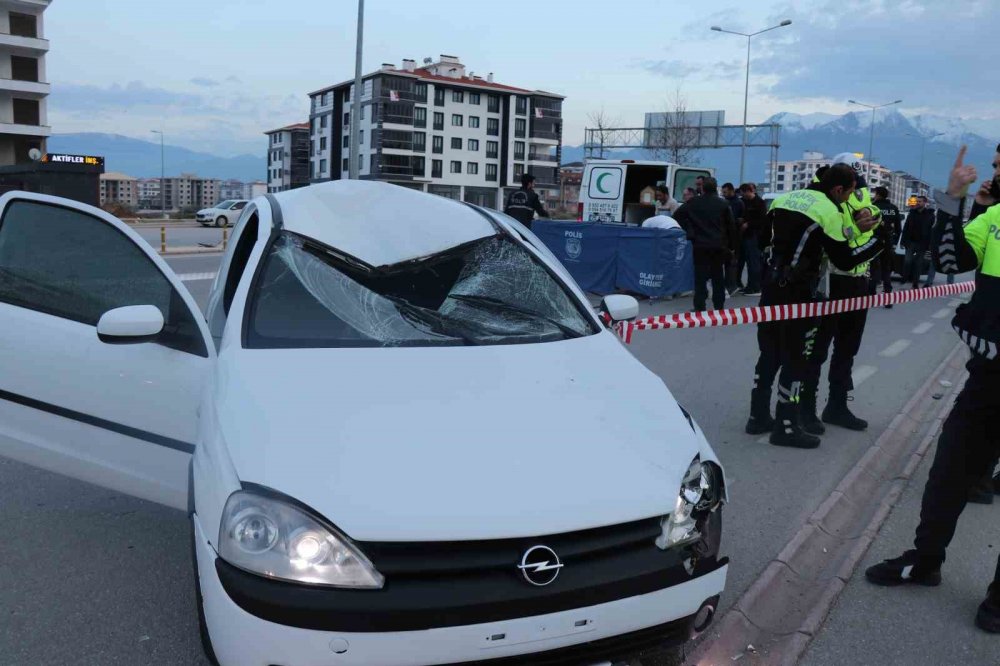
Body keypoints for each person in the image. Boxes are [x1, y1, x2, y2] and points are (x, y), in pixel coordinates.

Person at [865, 146, 1000, 635]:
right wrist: (957, 200)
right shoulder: (996, 217)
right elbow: (951, 259)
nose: (996, 172)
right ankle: (925, 561)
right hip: (988, 378)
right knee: (948, 473)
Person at [745, 164, 883, 448]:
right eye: (850, 192)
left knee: (769, 352)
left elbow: (760, 240)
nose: (851, 198)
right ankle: (786, 426)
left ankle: (758, 416)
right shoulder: (828, 210)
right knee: (796, 357)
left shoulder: (785, 198)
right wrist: (880, 242)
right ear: (837, 189)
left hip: (771, 285)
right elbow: (844, 259)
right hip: (799, 291)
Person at [799, 153, 883, 435]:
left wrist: (873, 216)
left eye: (859, 184)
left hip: (859, 278)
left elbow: (872, 212)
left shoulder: (857, 192)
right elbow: (831, 236)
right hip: (831, 280)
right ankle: (805, 408)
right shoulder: (820, 197)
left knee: (847, 349)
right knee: (817, 350)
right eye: (852, 184)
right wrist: (856, 228)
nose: (856, 191)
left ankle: (837, 405)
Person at [673, 177, 737, 312]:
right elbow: (731, 227)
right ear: (716, 188)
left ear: (702, 188)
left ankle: (699, 306)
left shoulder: (693, 203)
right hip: (718, 245)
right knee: (718, 276)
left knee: (700, 277)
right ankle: (719, 306)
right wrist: (731, 246)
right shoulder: (723, 204)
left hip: (700, 244)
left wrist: (690, 230)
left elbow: (677, 216)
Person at [870, 186, 901, 308]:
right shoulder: (894, 208)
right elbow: (898, 229)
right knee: (886, 270)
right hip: (888, 242)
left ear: (878, 195)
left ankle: (871, 297)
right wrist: (893, 242)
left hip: (873, 242)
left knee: (873, 270)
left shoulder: (873, 207)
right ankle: (888, 299)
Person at [738, 183, 766, 296]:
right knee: (747, 262)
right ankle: (749, 286)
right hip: (744, 235)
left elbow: (762, 220)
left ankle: (756, 287)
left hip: (754, 236)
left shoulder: (759, 203)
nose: (743, 196)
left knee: (754, 263)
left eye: (744, 193)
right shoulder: (743, 201)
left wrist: (748, 224)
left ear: (749, 191)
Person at [901, 196, 935, 288]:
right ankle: (905, 279)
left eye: (920, 201)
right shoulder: (912, 214)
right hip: (910, 242)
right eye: (917, 201)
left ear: (925, 203)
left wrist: (930, 244)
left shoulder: (930, 215)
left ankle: (915, 283)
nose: (917, 203)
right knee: (907, 261)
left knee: (918, 263)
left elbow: (931, 230)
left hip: (922, 243)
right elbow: (906, 228)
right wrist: (903, 241)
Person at [722, 183, 746, 295]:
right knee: (727, 261)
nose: (723, 194)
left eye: (725, 192)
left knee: (733, 262)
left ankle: (732, 284)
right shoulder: (724, 202)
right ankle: (729, 284)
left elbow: (740, 220)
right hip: (725, 235)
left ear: (731, 191)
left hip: (735, 236)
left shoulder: (738, 203)